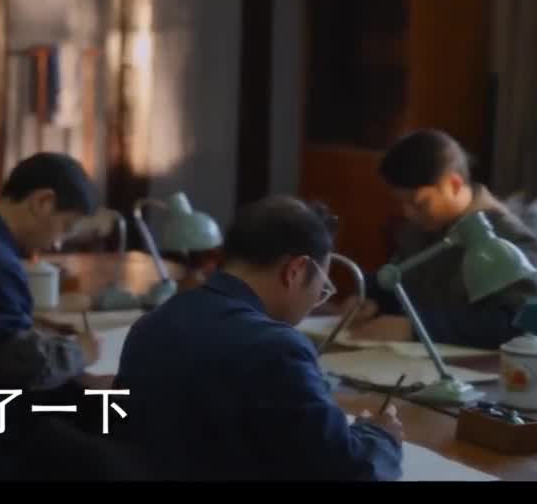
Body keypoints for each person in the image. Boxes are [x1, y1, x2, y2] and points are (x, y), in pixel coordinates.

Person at [111, 195, 404, 481]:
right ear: (295, 270)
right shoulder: (278, 348)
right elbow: (352, 471)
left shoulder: (152, 323)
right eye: (322, 289)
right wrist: (381, 436)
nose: (316, 299)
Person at [0, 152, 117, 479]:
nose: (57, 244)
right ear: (43, 202)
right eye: (66, 226)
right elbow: (20, 365)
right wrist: (80, 352)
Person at [342, 129, 537, 349]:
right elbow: (400, 283)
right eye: (402, 203)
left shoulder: (513, 241)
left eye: (419, 203)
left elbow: (518, 324)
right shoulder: (420, 229)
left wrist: (416, 328)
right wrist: (370, 299)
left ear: (454, 184)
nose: (408, 213)